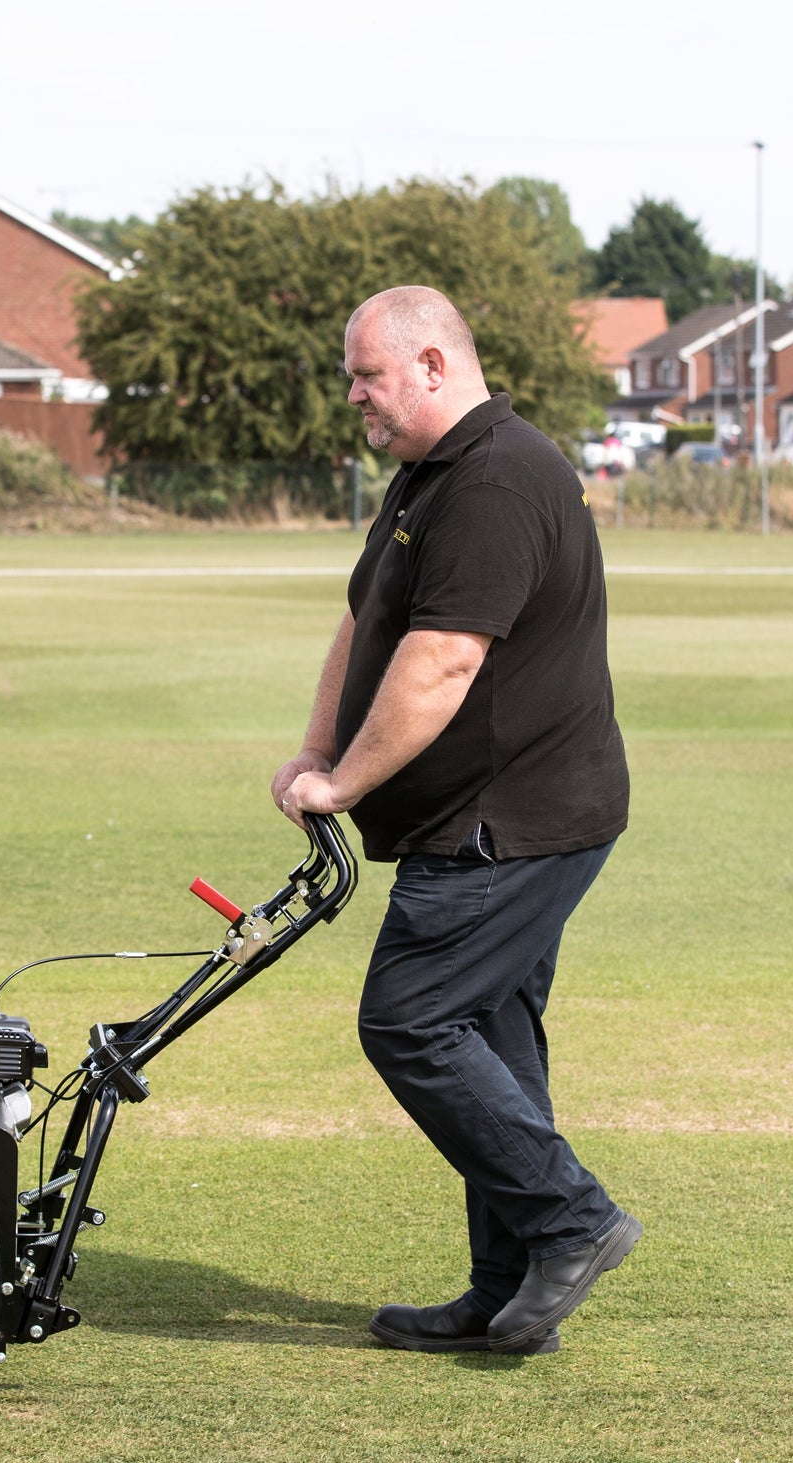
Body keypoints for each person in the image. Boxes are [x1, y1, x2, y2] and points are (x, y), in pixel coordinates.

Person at [273, 286, 638, 1355]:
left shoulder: (489, 480)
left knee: (411, 1018)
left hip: (508, 820)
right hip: (507, 813)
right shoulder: (429, 473)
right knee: (484, 1034)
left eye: (367, 375)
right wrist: (320, 748)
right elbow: (366, 616)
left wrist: (340, 788)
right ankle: (510, 1286)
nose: (353, 394)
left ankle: (570, 1218)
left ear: (431, 364)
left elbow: (441, 657)